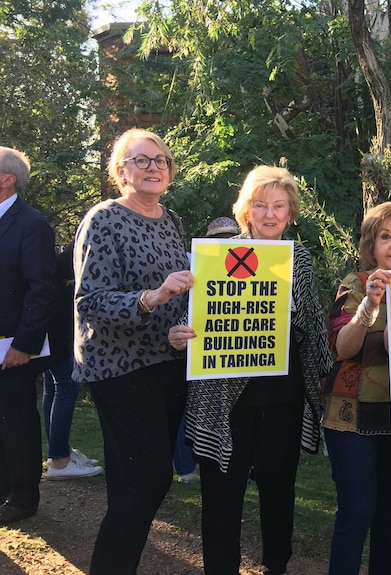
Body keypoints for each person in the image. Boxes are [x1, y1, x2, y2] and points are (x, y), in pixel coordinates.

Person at [169, 166, 332, 575]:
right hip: (225, 399)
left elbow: (313, 325)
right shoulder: (214, 255)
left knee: (279, 491)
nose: (270, 214)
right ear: (245, 211)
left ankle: (276, 565)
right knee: (222, 495)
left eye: (279, 206)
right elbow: (194, 317)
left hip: (283, 397)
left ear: (290, 212)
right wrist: (182, 336)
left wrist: (294, 310)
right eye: (260, 205)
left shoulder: (300, 258)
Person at [73, 129, 193, 573]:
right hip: (119, 368)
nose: (154, 167)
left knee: (134, 483)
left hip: (167, 363)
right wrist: (151, 298)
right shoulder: (103, 219)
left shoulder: (172, 220)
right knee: (148, 477)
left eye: (161, 160)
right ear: (120, 171)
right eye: (141, 160)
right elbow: (89, 300)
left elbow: (180, 290)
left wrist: (183, 325)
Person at [322, 201, 391, 575]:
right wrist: (369, 307)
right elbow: (342, 348)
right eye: (386, 237)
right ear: (371, 244)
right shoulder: (354, 284)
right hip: (350, 415)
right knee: (358, 507)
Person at [0, 147, 57, 524]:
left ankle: (23, 496)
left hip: (13, 346)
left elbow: (42, 288)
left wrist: (24, 344)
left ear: (7, 180)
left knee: (16, 419)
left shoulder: (31, 224)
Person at [173, 217, 241, 485]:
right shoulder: (193, 268)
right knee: (191, 407)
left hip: (235, 358)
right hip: (198, 353)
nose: (226, 243)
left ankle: (234, 464)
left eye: (231, 237)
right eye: (220, 238)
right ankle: (186, 467)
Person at [44, 244, 103, 480]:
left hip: (49, 330)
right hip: (59, 332)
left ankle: (59, 453)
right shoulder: (86, 248)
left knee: (53, 388)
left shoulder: (65, 256)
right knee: (67, 387)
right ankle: (59, 461)